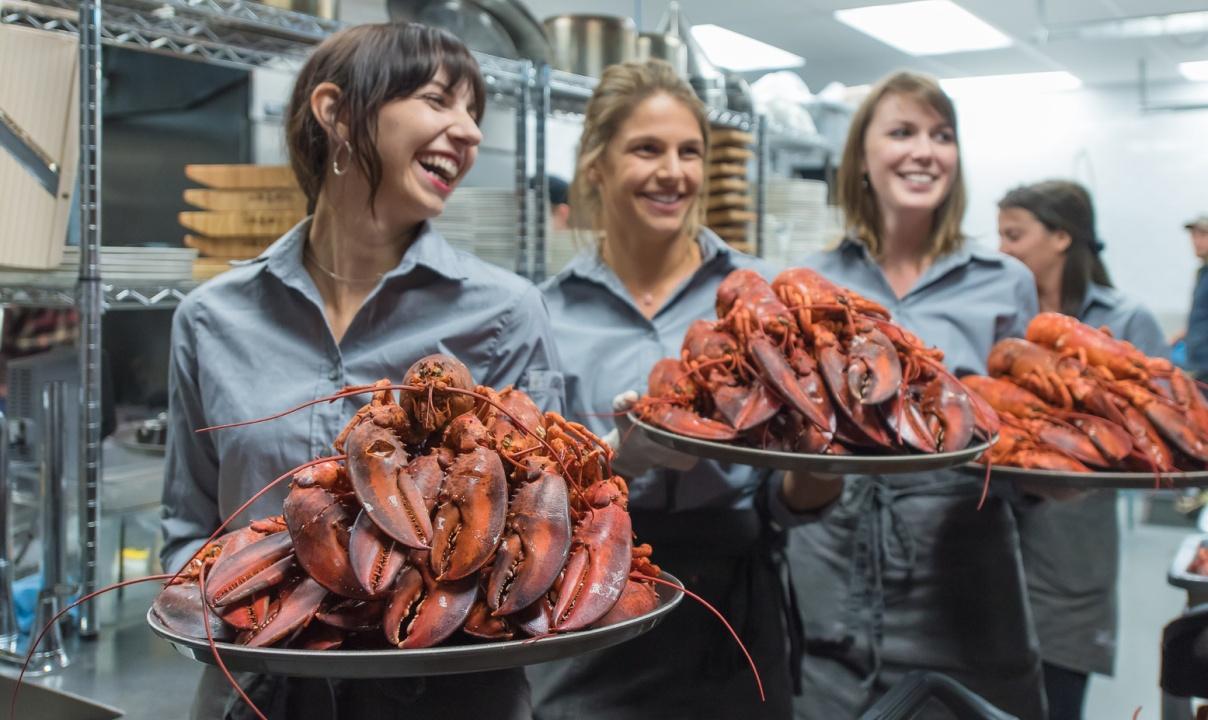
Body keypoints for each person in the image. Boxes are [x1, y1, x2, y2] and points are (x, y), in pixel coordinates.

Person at [160, 22, 562, 720]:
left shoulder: (507, 312)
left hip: (450, 698)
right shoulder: (210, 317)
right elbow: (191, 524)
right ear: (336, 111)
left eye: (475, 114)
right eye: (439, 100)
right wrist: (214, 612)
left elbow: (543, 520)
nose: (468, 132)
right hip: (259, 698)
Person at [531, 59, 841, 720]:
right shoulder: (542, 313)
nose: (673, 171)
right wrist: (617, 457)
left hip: (733, 614)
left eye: (689, 151)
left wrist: (819, 473)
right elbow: (526, 492)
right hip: (586, 611)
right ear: (597, 164)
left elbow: (786, 502)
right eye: (647, 149)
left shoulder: (760, 291)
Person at [788, 70, 1046, 719]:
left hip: (962, 576)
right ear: (863, 160)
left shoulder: (1005, 281)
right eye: (902, 132)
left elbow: (1022, 439)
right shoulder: (808, 280)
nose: (924, 150)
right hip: (829, 575)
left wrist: (1053, 477)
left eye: (942, 135)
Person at [998, 179, 1168, 719]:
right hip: (992, 531)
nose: (1002, 249)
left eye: (1015, 235)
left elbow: (1161, 428)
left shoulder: (1127, 319)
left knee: (1058, 697)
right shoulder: (1000, 311)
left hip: (1073, 546)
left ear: (1062, 238)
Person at [1185, 213, 1208, 381]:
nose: (1196, 241)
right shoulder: (1202, 273)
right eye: (1194, 235)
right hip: (1197, 363)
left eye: (1203, 235)